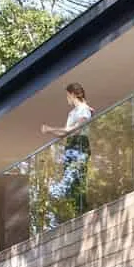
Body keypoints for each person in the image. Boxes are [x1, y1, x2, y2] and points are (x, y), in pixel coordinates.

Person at [40, 82, 93, 219]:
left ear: (73, 94)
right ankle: (75, 212)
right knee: (71, 183)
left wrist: (51, 128)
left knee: (74, 178)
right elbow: (66, 133)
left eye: (67, 95)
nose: (67, 98)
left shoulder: (84, 109)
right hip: (70, 146)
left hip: (79, 145)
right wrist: (50, 131)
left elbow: (76, 128)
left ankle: (75, 207)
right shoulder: (72, 113)